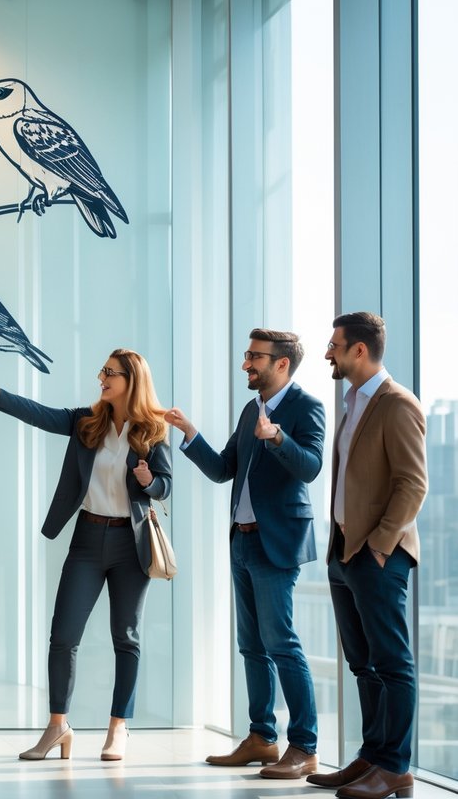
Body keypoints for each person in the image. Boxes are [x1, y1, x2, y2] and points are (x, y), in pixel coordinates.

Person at [0, 348, 170, 763]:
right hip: (87, 537)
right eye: (102, 370)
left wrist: (150, 480)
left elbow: (165, 487)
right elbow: (36, 412)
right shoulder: (87, 420)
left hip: (129, 542)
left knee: (126, 636)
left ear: (131, 381)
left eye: (110, 373)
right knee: (63, 636)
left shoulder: (152, 429)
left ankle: (119, 727)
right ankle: (58, 726)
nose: (102, 378)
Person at [164, 330, 324, 779]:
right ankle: (261, 738)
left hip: (278, 542)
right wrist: (190, 432)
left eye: (255, 357)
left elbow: (310, 466)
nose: (246, 364)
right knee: (251, 646)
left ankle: (305, 747)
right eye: (247, 355)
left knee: (282, 644)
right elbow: (223, 470)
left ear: (281, 364)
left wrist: (276, 438)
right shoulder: (249, 410)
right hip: (242, 539)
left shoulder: (306, 407)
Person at [306, 312, 426, 799]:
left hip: (377, 554)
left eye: (334, 344)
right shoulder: (354, 401)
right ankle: (372, 756)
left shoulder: (397, 404)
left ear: (359, 350)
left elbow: (412, 484)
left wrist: (378, 546)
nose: (328, 352)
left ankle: (395, 767)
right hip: (345, 552)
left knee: (392, 662)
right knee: (364, 664)